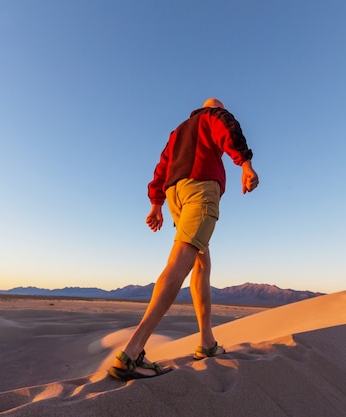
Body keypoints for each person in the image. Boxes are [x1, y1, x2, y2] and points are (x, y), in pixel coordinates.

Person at [108, 98, 259, 381]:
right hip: (200, 190)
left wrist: (156, 204)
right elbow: (229, 130)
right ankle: (132, 352)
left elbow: (162, 165)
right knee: (181, 260)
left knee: (201, 261)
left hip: (176, 193)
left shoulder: (178, 131)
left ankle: (206, 342)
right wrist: (245, 164)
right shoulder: (213, 116)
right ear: (214, 108)